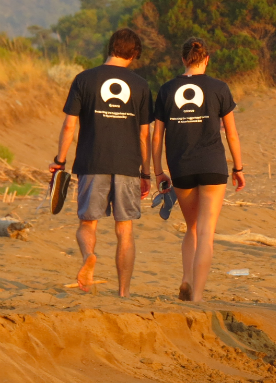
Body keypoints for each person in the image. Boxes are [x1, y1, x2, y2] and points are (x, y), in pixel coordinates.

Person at [49, 28, 153, 297]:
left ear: (110, 47)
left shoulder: (84, 79)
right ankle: (124, 292)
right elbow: (144, 135)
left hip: (91, 162)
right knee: (125, 231)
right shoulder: (141, 85)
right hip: (128, 164)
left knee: (87, 223)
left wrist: (59, 161)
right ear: (134, 54)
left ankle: (89, 256)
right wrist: (146, 172)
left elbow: (69, 125)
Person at [153, 38, 245, 302]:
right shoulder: (219, 88)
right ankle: (198, 296)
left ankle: (186, 279)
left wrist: (158, 171)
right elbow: (232, 134)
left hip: (182, 168)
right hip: (213, 167)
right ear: (206, 59)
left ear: (183, 59)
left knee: (191, 227)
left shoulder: (167, 89)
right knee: (206, 232)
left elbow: (157, 136)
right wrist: (238, 167)